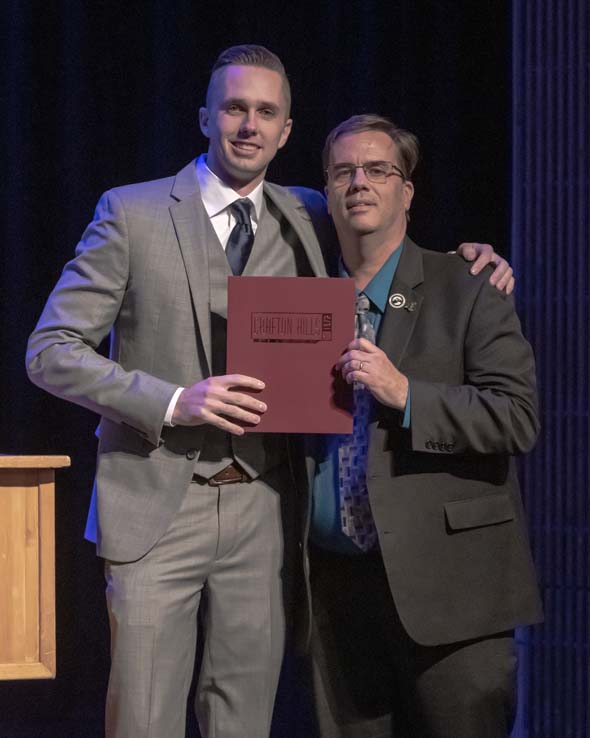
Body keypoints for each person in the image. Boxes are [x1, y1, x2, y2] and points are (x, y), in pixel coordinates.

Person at [26, 45, 512, 738]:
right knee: (142, 722)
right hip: (155, 504)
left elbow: (394, 255)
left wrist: (475, 259)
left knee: (243, 722)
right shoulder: (130, 213)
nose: (249, 125)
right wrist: (171, 401)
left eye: (267, 112)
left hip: (264, 506)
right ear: (204, 117)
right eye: (234, 107)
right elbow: (49, 351)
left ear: (286, 132)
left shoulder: (312, 212)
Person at [305, 114, 543, 738]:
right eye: (343, 172)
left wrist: (405, 394)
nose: (360, 182)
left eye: (379, 170)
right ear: (325, 192)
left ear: (407, 191)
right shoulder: (296, 303)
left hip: (452, 595)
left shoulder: (467, 284)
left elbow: (517, 418)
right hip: (333, 596)